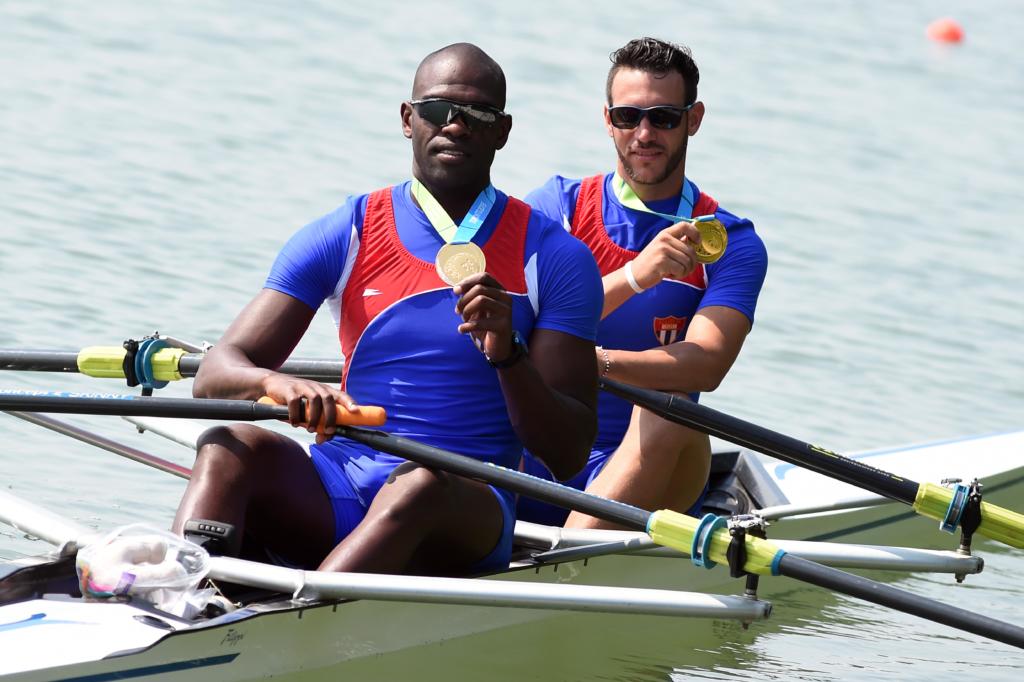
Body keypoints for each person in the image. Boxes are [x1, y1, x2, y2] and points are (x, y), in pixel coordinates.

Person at [171, 43, 602, 575]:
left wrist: (509, 354)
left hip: (463, 504)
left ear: (502, 132)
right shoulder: (347, 231)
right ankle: (172, 591)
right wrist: (277, 386)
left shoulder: (554, 257)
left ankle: (304, 620)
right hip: (342, 483)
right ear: (408, 118)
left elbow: (567, 454)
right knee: (227, 443)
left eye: (478, 115)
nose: (457, 127)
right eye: (439, 110)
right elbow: (215, 373)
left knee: (417, 484)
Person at [518, 37, 767, 529]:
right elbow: (523, 333)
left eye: (664, 118)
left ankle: (572, 561)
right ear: (608, 120)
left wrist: (595, 363)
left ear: (693, 120)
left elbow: (706, 365)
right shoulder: (557, 209)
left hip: (649, 469)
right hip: (536, 454)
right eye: (629, 117)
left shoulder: (726, 241)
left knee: (671, 405)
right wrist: (635, 277)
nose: (645, 133)